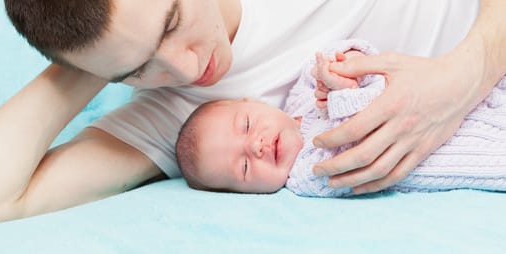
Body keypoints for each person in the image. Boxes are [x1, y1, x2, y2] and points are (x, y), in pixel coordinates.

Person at [0, 0, 506, 224]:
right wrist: (90, 55)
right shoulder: (173, 119)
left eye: (170, 22)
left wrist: (458, 83)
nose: (185, 71)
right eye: (134, 71)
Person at [175, 39, 506, 196]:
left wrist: (340, 67)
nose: (257, 146)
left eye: (246, 125)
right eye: (244, 167)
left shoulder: (301, 92)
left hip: (472, 98)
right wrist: (343, 96)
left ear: (251, 101)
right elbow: (352, 141)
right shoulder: (307, 176)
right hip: (478, 153)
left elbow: (360, 55)